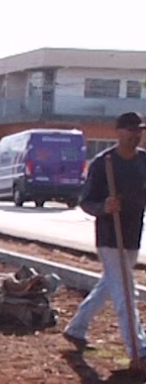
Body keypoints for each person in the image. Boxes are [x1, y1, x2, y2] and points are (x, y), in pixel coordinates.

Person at [64, 112, 146, 369]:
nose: (136, 135)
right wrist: (104, 207)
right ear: (118, 132)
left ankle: (77, 327)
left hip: (132, 236)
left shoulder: (144, 161)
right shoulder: (103, 163)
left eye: (139, 130)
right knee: (125, 293)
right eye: (131, 130)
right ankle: (139, 350)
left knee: (110, 285)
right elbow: (85, 202)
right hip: (111, 238)